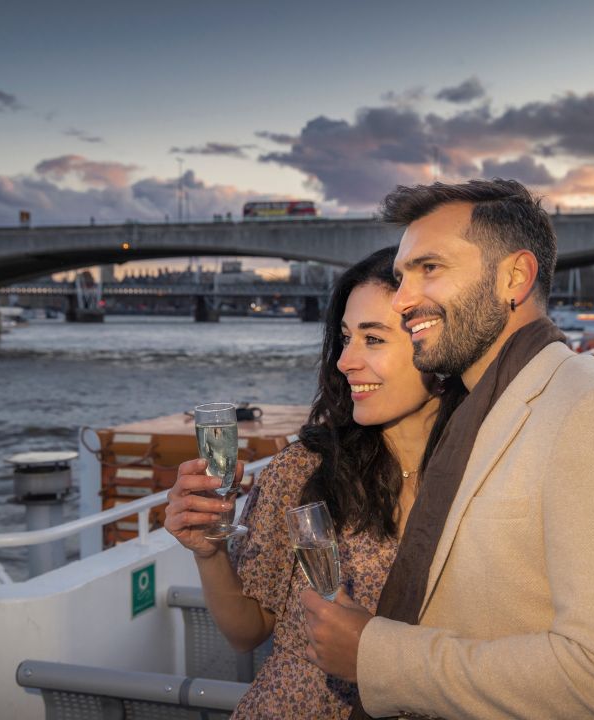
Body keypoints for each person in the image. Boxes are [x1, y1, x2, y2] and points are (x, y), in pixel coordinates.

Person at [301, 179, 594, 719]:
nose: (403, 299)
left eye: (429, 269)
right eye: (400, 277)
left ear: (515, 277)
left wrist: (377, 654)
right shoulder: (479, 410)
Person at [164, 247, 464, 719]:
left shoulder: (487, 473)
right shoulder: (303, 470)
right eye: (346, 339)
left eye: (374, 339)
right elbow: (247, 631)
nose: (346, 361)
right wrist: (208, 551)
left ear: (438, 348)